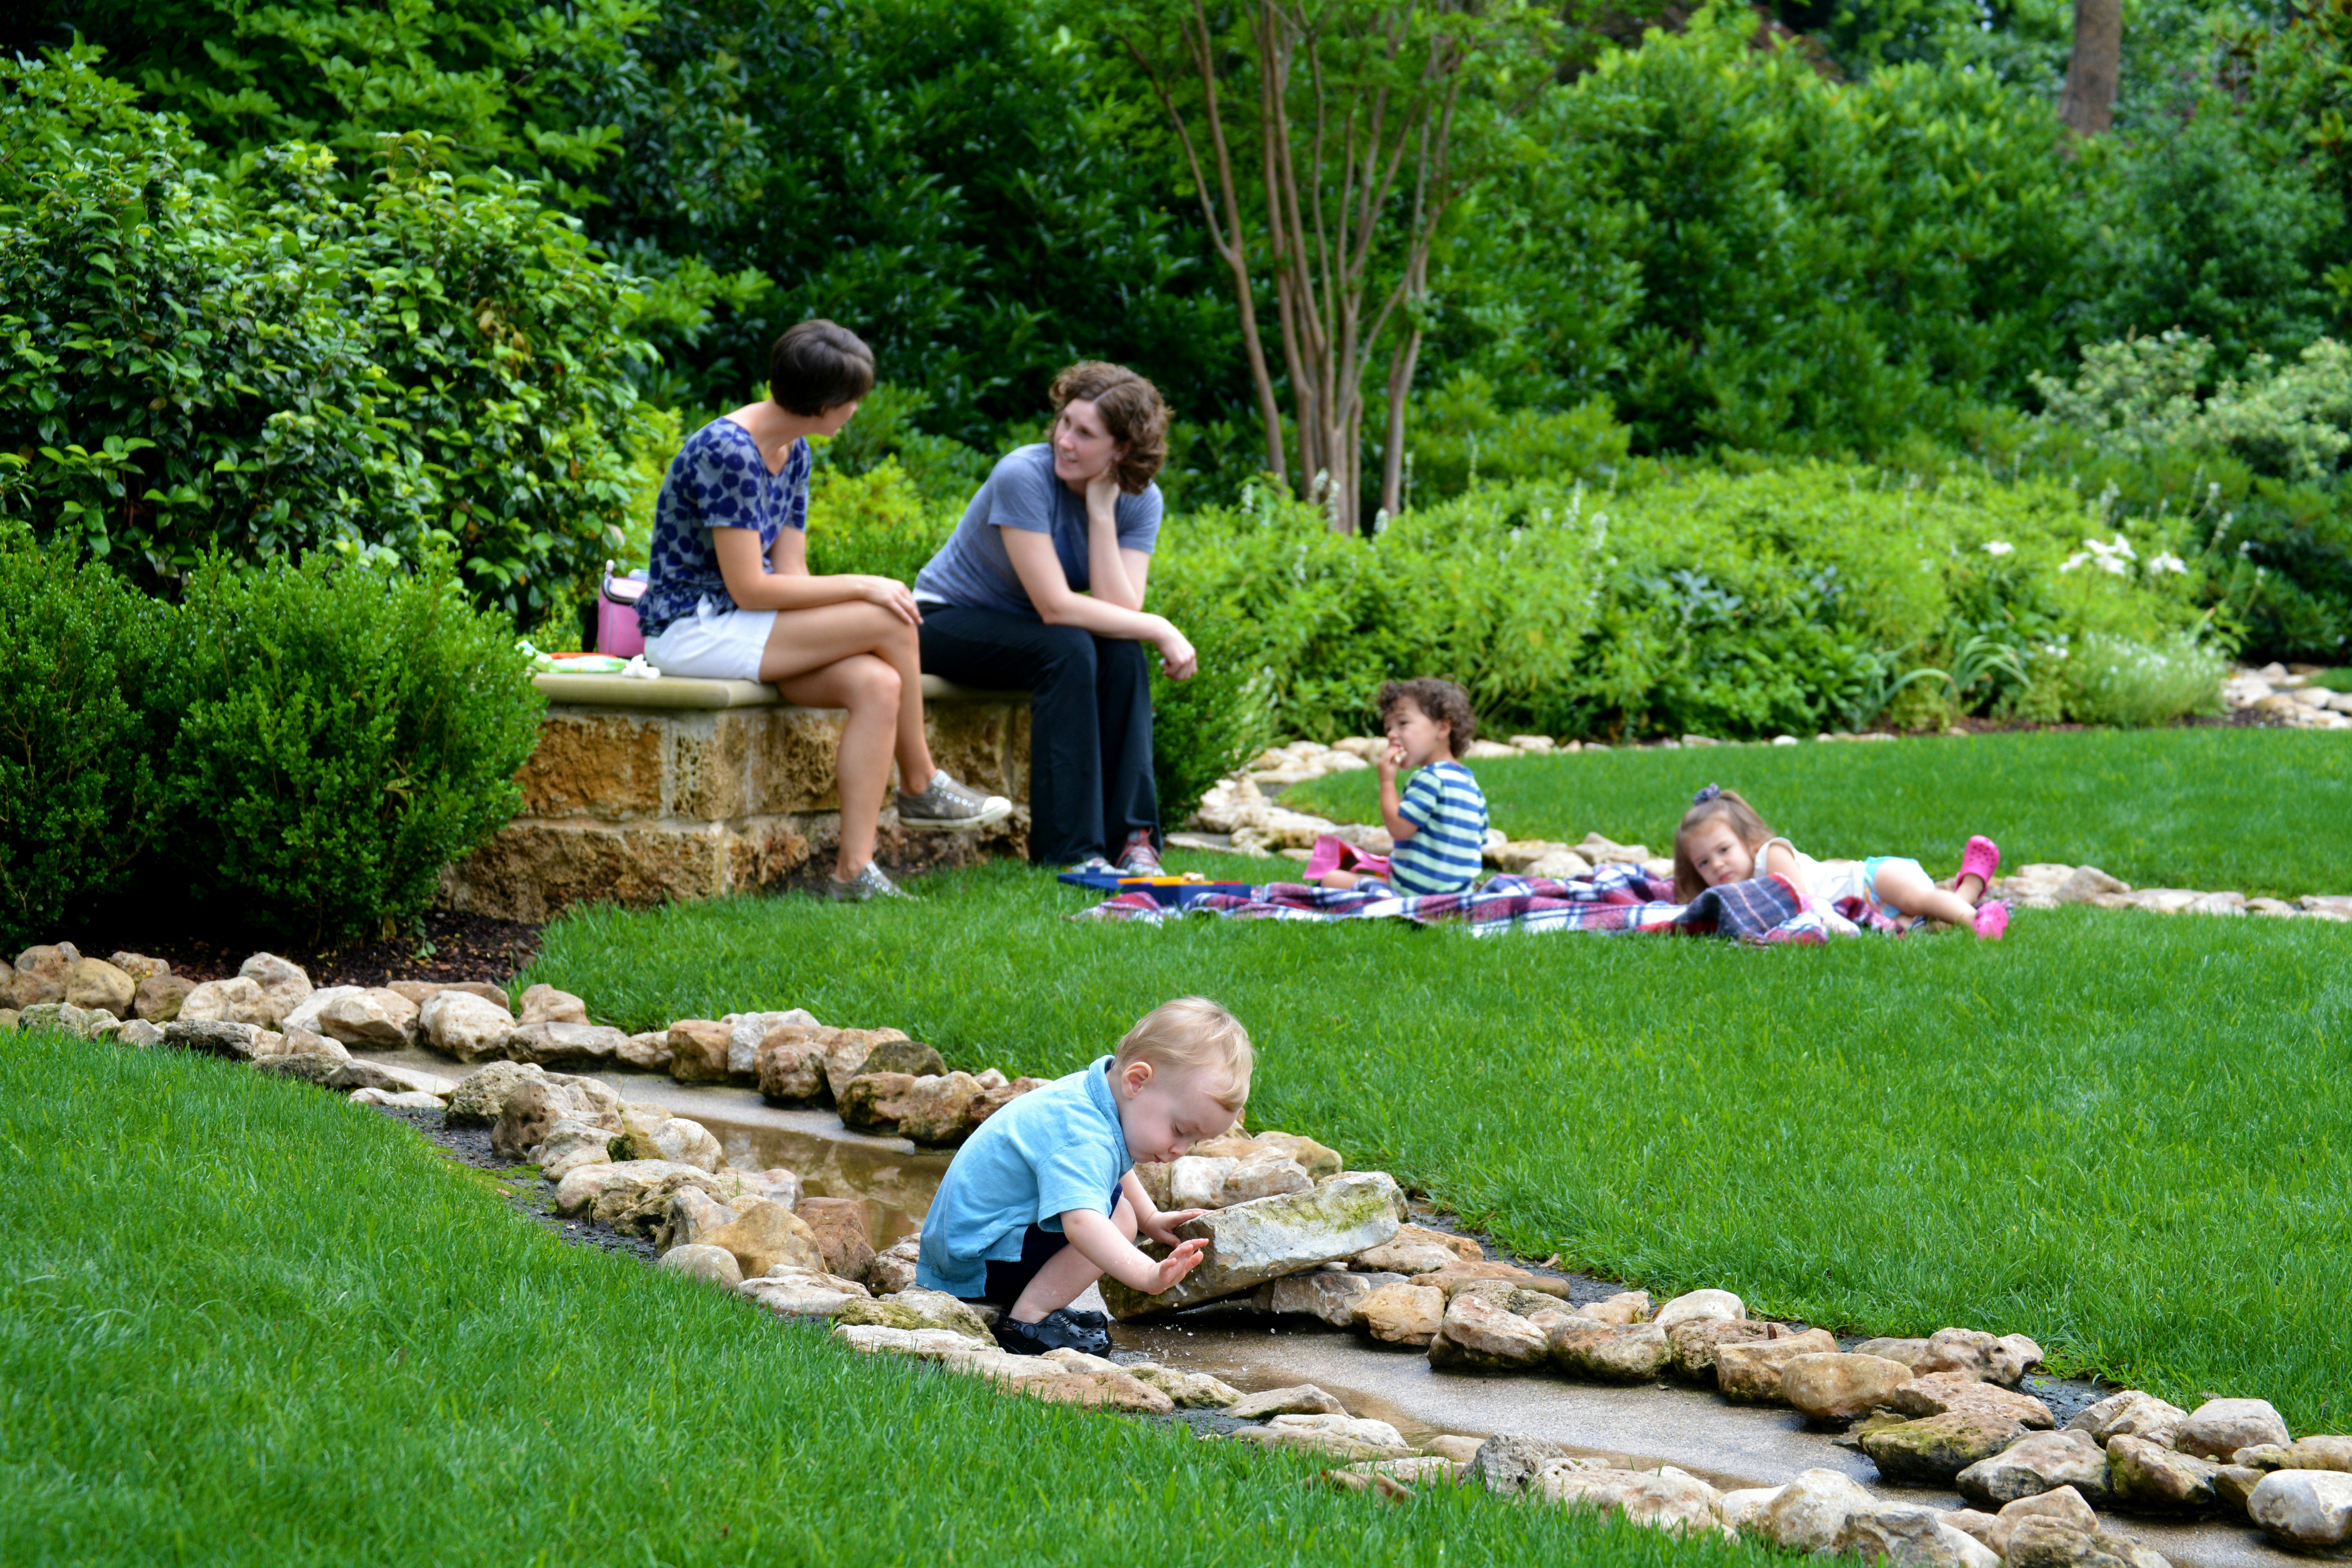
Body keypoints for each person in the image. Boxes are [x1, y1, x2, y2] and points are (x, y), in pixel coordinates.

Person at [635, 319, 1011, 902]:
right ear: (828, 405)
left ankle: (852, 874)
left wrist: (841, 614)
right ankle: (920, 783)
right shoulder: (728, 452)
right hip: (692, 628)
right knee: (889, 615)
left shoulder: (795, 449)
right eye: (855, 400)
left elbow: (791, 576)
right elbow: (751, 589)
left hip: (742, 625)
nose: (858, 409)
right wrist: (863, 587)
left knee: (878, 682)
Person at [912, 362, 1196, 874]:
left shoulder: (1139, 501)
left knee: (1120, 649)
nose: (1065, 441)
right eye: (1065, 423)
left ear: (1122, 449)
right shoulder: (1023, 475)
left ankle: (1133, 840)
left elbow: (1119, 611)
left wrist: (1103, 512)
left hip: (1030, 632)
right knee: (1068, 649)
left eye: (1085, 434)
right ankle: (1071, 852)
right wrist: (1163, 627)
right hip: (944, 620)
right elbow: (1056, 607)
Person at [915, 996, 1252, 1356]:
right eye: (1180, 1129)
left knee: (1119, 1209)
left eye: (1194, 1141)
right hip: (974, 1263)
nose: (1180, 1150)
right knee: (1115, 1219)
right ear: (1137, 1081)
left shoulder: (1095, 1096)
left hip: (972, 1244)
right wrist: (1147, 1276)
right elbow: (1082, 1223)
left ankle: (1036, 1302)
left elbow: (1112, 1172)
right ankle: (1029, 1322)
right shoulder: (1082, 1134)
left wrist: (1151, 1218)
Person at [1672, 785, 2010, 938]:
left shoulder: (1771, 854)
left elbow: (1803, 902)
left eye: (1723, 851)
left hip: (1872, 880)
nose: (1716, 866)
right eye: (1703, 863)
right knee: (1926, 924)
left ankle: (1975, 921)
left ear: (1747, 842)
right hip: (1867, 914)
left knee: (1918, 900)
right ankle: (1972, 885)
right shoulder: (1739, 894)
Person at [1316, 678, 1490, 896]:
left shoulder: (1431, 778)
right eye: (1389, 728)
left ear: (1443, 728)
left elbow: (1399, 829)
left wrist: (1387, 782)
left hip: (1414, 892)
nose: (1391, 734)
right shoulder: (1470, 784)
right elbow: (1479, 840)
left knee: (1331, 879)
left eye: (1403, 723)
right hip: (1457, 893)